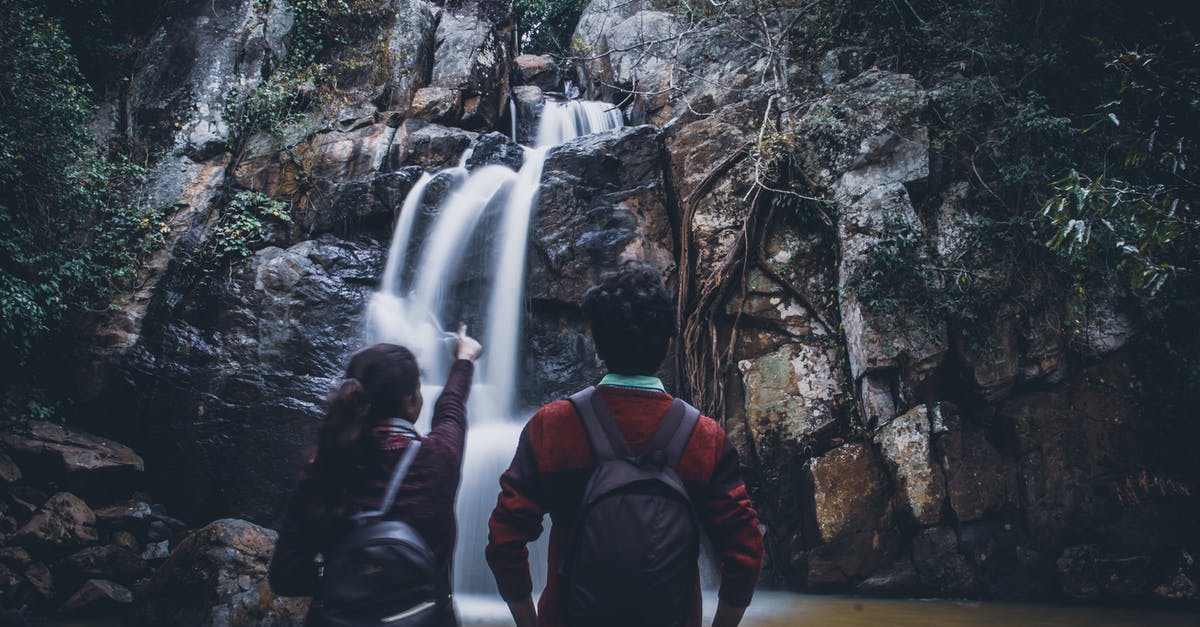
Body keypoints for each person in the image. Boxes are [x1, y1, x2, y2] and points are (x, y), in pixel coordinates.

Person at [485, 267, 764, 627]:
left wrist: (529, 621)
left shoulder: (553, 426)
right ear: (668, 345)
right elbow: (745, 550)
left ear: (597, 345)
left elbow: (504, 539)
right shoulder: (704, 437)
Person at [269, 329, 483, 625]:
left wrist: (344, 575)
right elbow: (451, 409)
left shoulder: (324, 466)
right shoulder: (439, 457)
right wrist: (464, 358)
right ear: (412, 402)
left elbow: (285, 576)